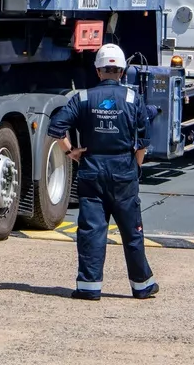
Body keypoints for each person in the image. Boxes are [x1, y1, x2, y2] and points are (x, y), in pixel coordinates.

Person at [46, 43, 158, 301]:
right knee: (132, 232)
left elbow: (55, 127)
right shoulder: (133, 99)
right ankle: (142, 286)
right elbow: (143, 142)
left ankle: (89, 287)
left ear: (98, 71)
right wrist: (136, 167)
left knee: (91, 232)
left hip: (92, 171)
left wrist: (70, 152)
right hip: (124, 172)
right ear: (122, 72)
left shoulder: (83, 98)